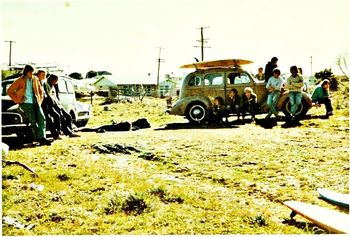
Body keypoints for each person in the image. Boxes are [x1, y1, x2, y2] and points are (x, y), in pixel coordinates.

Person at [7, 65, 52, 145]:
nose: (32, 73)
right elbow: (9, 91)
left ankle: (42, 137)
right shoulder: (20, 80)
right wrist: (18, 99)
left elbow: (41, 90)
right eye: (30, 72)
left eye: (33, 72)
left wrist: (40, 100)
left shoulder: (35, 79)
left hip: (36, 102)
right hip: (26, 104)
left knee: (42, 118)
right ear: (26, 72)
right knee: (33, 121)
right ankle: (38, 139)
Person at [37, 70, 61, 140]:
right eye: (42, 75)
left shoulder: (43, 83)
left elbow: (46, 94)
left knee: (56, 116)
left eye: (45, 75)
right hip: (40, 104)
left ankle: (57, 134)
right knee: (48, 119)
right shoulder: (35, 81)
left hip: (46, 104)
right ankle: (54, 135)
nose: (44, 76)